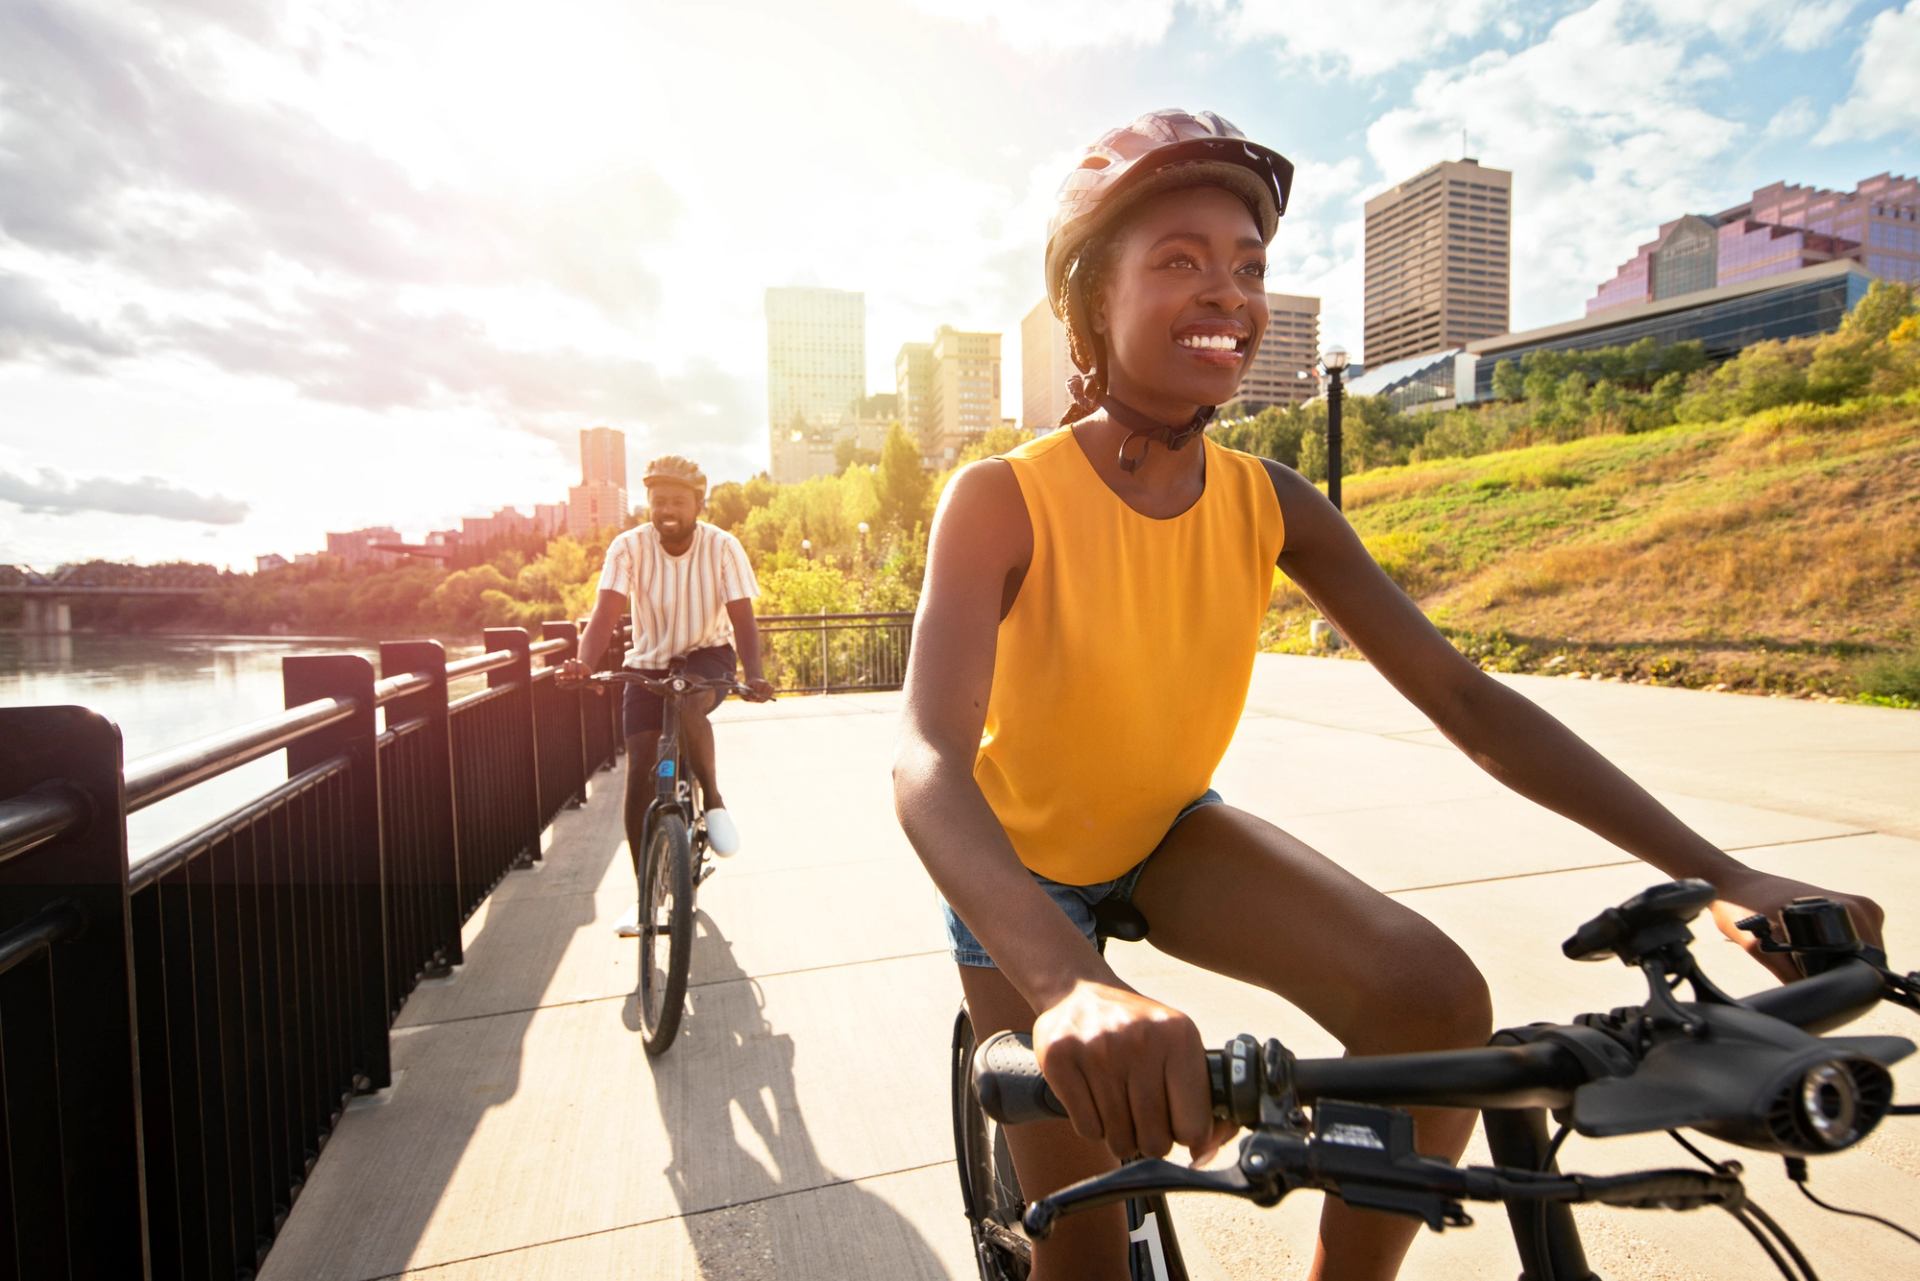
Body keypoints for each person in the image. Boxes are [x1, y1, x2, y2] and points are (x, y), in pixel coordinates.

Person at [890, 109, 1888, 1281]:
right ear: (1086, 308)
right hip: (1018, 872)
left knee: (1433, 998)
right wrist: (1070, 986)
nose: (1228, 292)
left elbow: (1469, 704)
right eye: (1178, 261)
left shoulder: (1273, 501)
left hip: (1165, 834)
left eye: (1247, 267)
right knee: (1088, 1249)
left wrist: (1726, 873)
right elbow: (926, 761)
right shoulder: (1002, 497)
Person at [562, 454, 775, 936]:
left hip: (708, 655)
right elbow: (604, 613)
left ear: (698, 504)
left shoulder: (722, 547)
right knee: (640, 765)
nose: (667, 510)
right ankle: (645, 900)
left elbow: (742, 618)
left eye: (678, 501)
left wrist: (755, 675)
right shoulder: (628, 547)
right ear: (649, 505)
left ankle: (714, 801)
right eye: (658, 501)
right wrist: (585, 663)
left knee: (693, 701)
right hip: (647, 661)